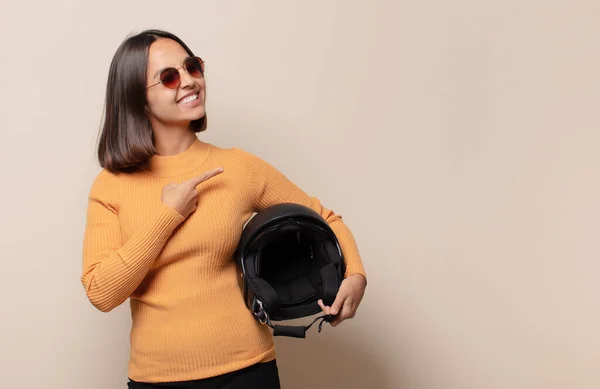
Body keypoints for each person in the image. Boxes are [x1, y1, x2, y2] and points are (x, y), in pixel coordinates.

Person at [81, 29, 367, 389]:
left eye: (192, 67)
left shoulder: (237, 167)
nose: (188, 81)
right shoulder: (112, 185)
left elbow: (324, 218)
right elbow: (102, 292)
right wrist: (168, 215)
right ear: (137, 99)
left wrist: (355, 275)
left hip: (248, 370)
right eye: (169, 77)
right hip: (157, 378)